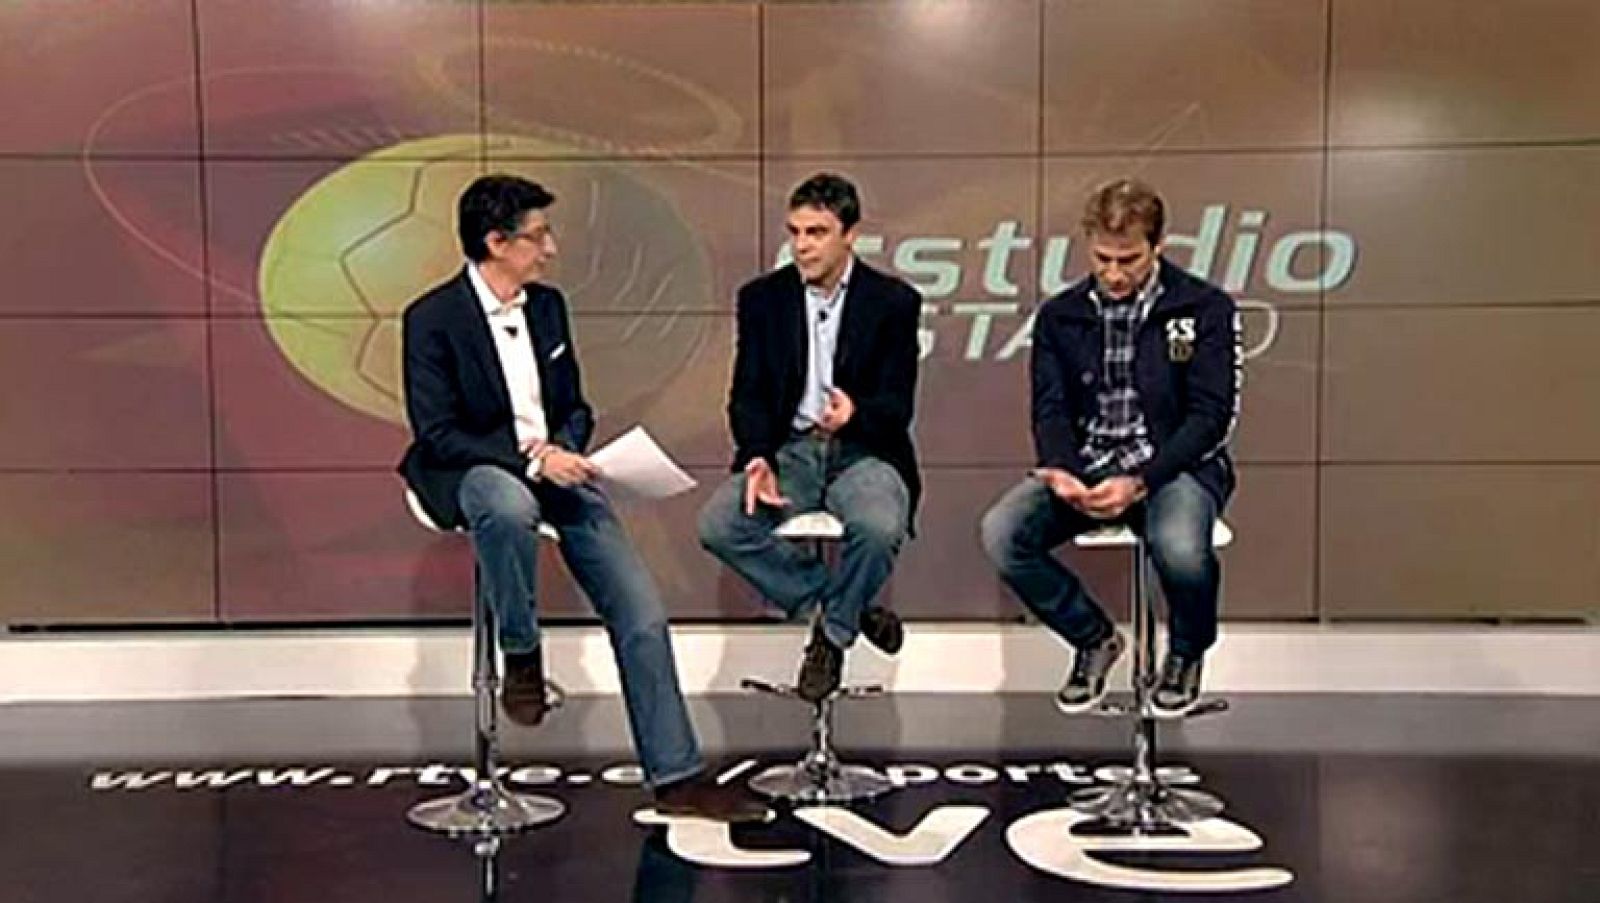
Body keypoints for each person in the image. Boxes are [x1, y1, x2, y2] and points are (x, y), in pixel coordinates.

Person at [398, 174, 764, 821]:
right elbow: (439, 432)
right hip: (474, 470)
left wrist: (568, 448)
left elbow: (574, 405)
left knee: (641, 610)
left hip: (557, 470)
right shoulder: (431, 318)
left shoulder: (547, 307)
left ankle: (676, 775)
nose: (551, 248)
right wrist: (533, 457)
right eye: (538, 235)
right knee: (506, 503)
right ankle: (521, 653)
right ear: (495, 242)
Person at [980, 177, 1241, 718]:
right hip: (1091, 463)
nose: (1115, 273)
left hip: (1175, 467)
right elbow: (1049, 407)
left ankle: (1187, 653)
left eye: (1130, 259)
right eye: (1103, 259)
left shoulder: (1206, 308)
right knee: (1003, 533)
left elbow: (1210, 418)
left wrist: (1141, 479)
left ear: (1158, 248)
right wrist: (1064, 471)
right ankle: (1093, 638)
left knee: (1181, 549)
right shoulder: (1060, 316)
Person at [698, 173, 922, 703]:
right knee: (719, 523)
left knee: (878, 525)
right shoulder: (762, 299)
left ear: (851, 235)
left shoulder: (892, 302)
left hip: (864, 452)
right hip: (790, 451)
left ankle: (830, 639)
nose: (801, 245)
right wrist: (756, 458)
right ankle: (841, 609)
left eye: (817, 232)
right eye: (795, 231)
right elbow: (747, 394)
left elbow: (898, 405)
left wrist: (857, 412)